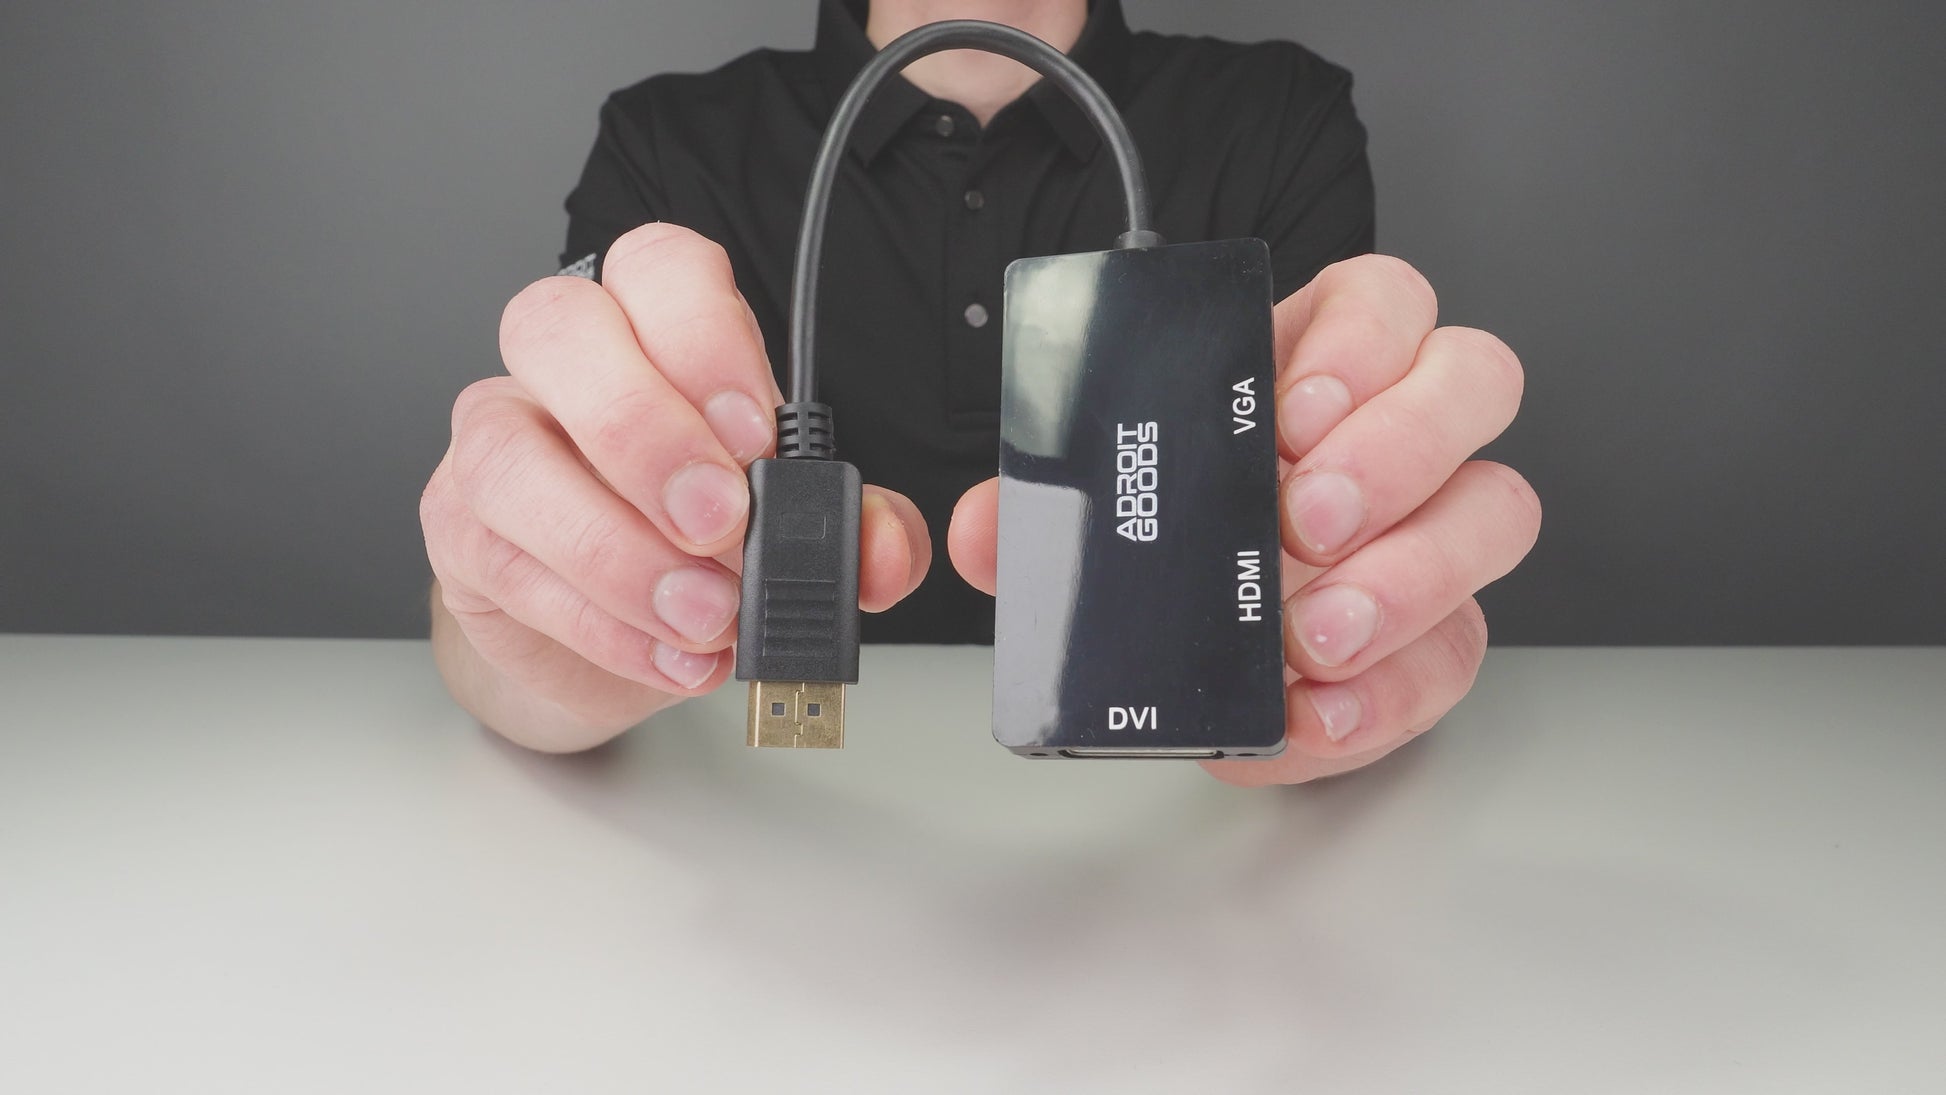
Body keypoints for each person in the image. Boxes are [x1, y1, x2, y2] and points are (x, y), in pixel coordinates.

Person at [418, 0, 1540, 786]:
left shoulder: (1278, 117)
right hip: (763, 816)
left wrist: (1342, 620)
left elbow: (1320, 537)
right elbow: (533, 575)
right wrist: (540, 646)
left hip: (1187, 849)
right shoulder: (670, 144)